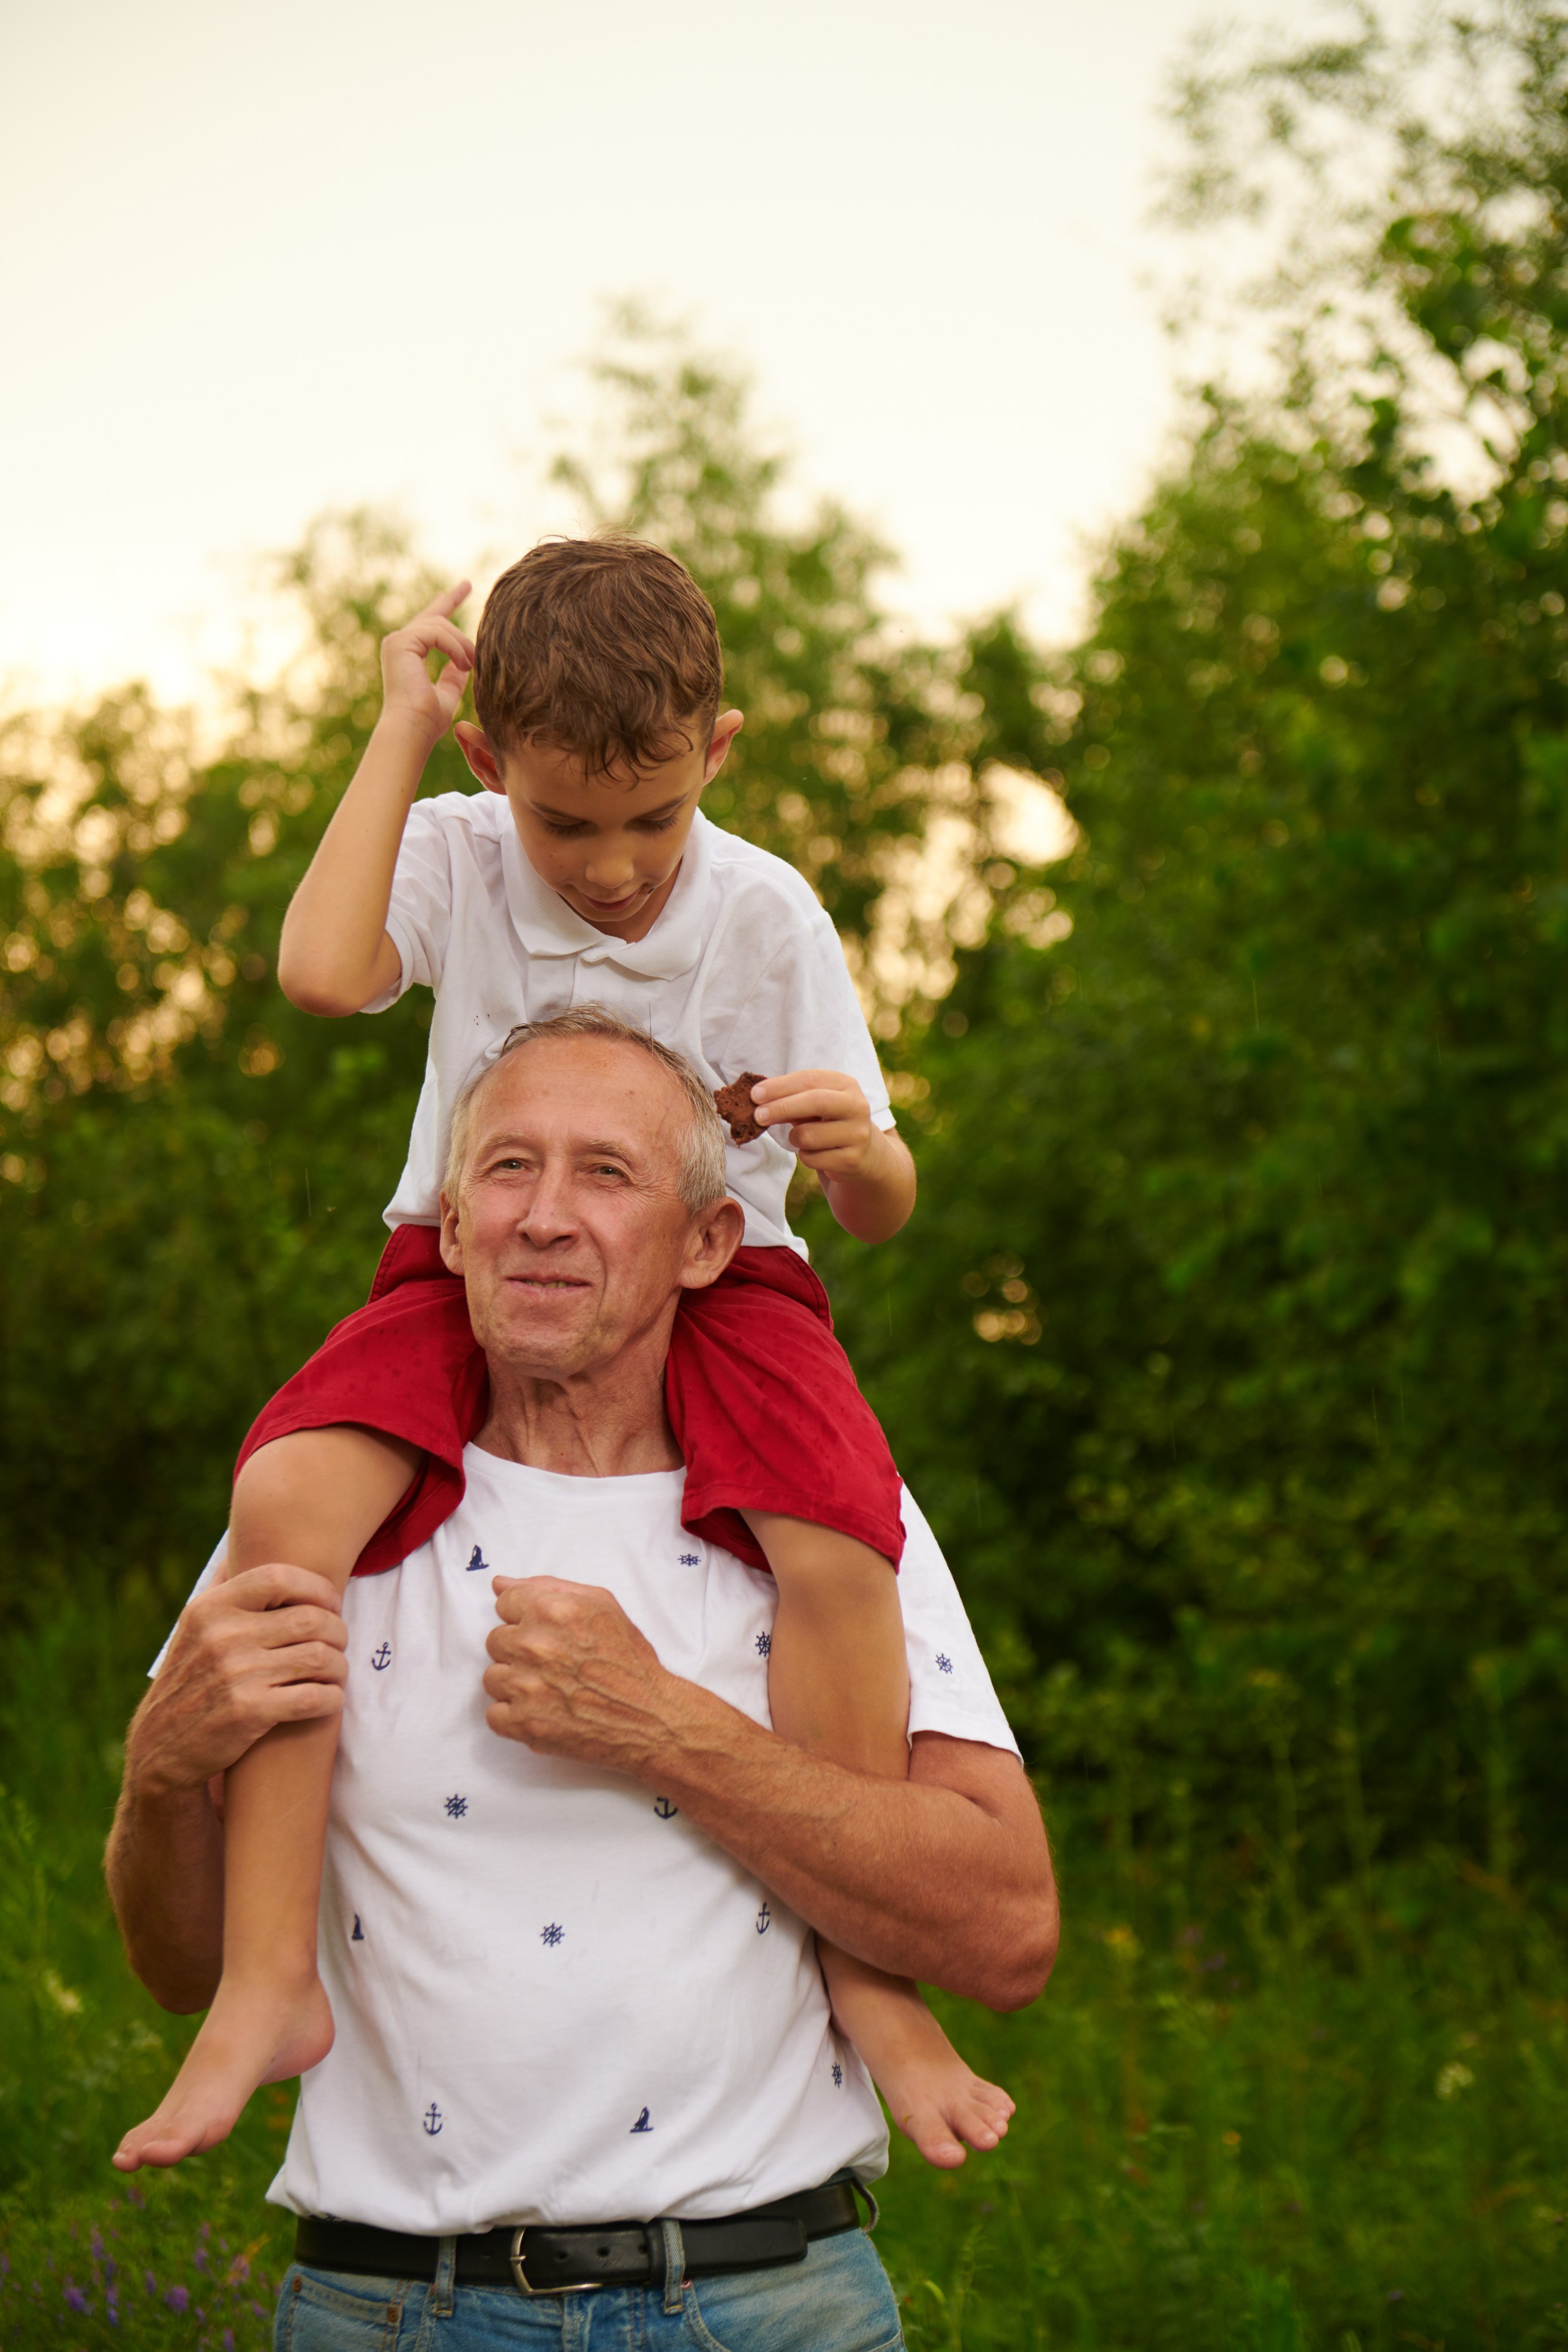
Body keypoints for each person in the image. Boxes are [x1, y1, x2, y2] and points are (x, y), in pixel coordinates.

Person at [113, 539, 1005, 2176]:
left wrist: (857, 1142)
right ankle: (263, 1983)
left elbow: (880, 1208)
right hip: (455, 1260)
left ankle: (872, 1987)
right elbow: (321, 975)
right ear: (487, 768)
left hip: (731, 1273)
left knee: (834, 1534)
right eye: (564, 822)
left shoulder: (764, 910)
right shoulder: (454, 849)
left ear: (716, 756)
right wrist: (399, 718)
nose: (608, 867)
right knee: (293, 1491)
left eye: (652, 818)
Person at [105, 1018, 1058, 2350]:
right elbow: (174, 1963)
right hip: (389, 2310)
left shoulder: (828, 1512)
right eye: (506, 1169)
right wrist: (156, 1779)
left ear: (706, 1244)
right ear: (446, 1227)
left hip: (766, 2304)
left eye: (604, 1174)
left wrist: (665, 1728)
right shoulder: (324, 1505)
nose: (543, 1217)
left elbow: (1008, 1932)